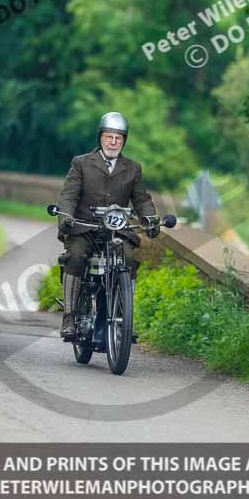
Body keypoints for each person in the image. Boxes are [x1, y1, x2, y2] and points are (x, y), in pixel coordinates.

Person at [57, 111, 159, 339]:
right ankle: (69, 316)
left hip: (117, 231)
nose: (113, 142)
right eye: (109, 137)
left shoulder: (133, 168)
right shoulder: (81, 163)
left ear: (124, 141)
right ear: (100, 138)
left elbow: (142, 199)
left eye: (118, 138)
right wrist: (66, 217)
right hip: (84, 228)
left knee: (128, 259)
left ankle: (124, 318)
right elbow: (69, 195)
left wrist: (150, 219)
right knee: (75, 256)